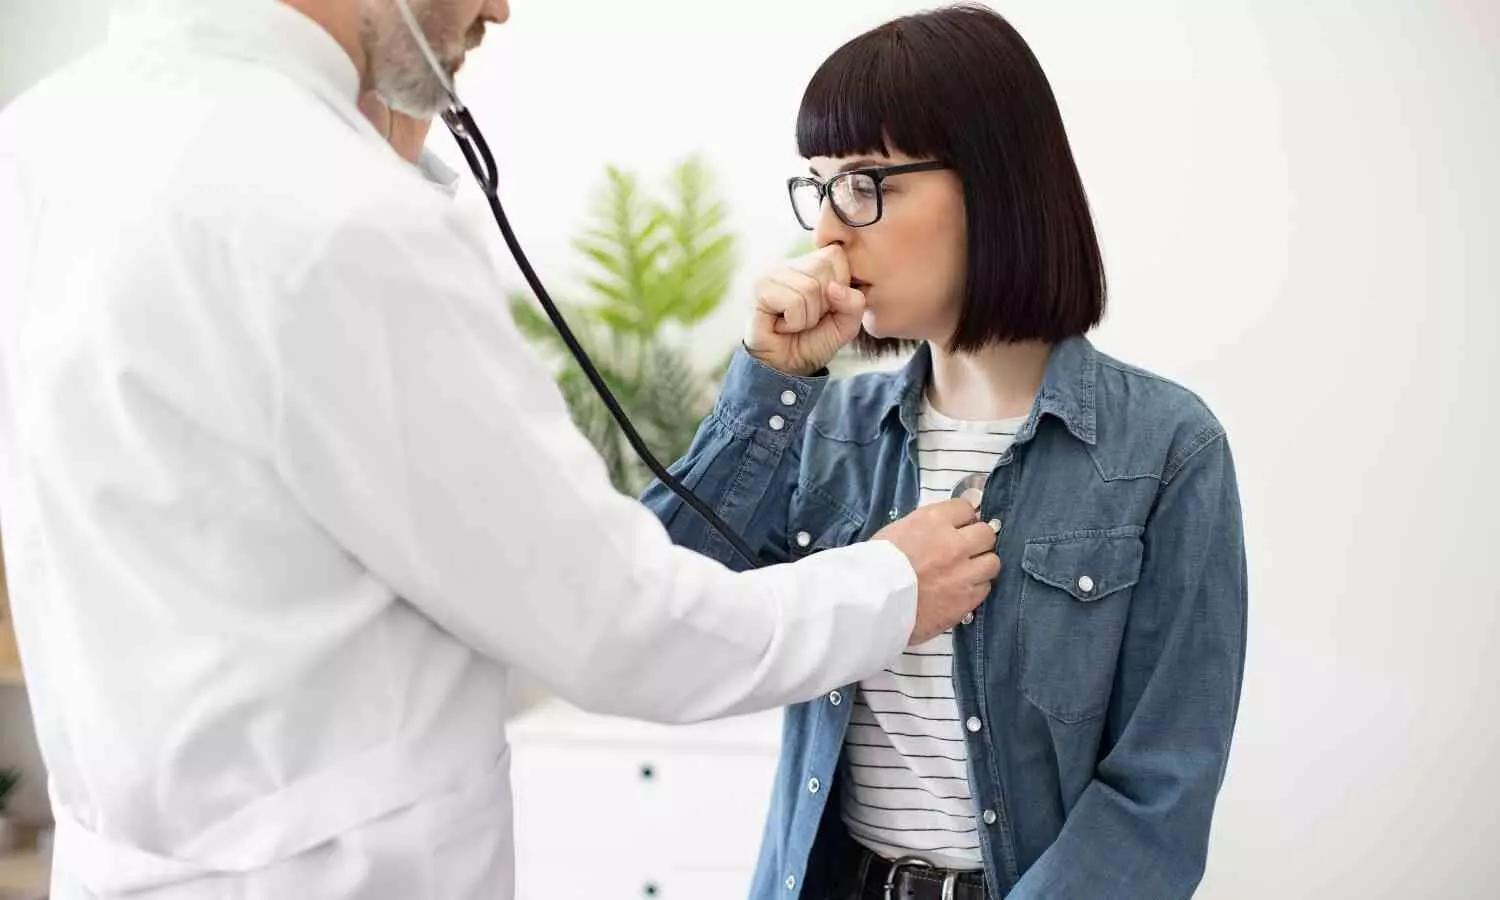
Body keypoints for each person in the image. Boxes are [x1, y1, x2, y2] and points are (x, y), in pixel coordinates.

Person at [0, 1, 1004, 897]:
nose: (500, 10)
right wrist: (889, 585)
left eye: (867, 184)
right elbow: (621, 620)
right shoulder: (339, 214)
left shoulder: (44, 140)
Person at [642, 5, 1249, 898]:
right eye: (819, 187)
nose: (828, 233)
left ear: (993, 183)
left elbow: (1161, 791)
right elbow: (656, 611)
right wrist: (771, 381)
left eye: (864, 183)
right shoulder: (827, 434)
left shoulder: (1166, 449)